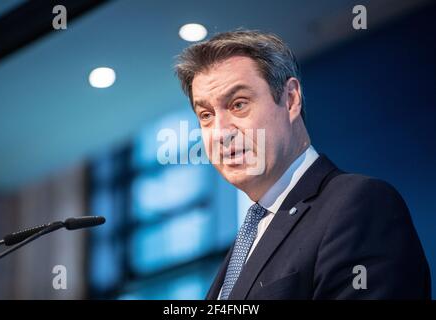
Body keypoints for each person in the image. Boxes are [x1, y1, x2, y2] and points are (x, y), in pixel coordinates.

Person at [175, 30, 431, 299]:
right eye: (206, 115)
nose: (220, 132)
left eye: (238, 104)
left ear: (291, 99)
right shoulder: (248, 236)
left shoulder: (361, 204)